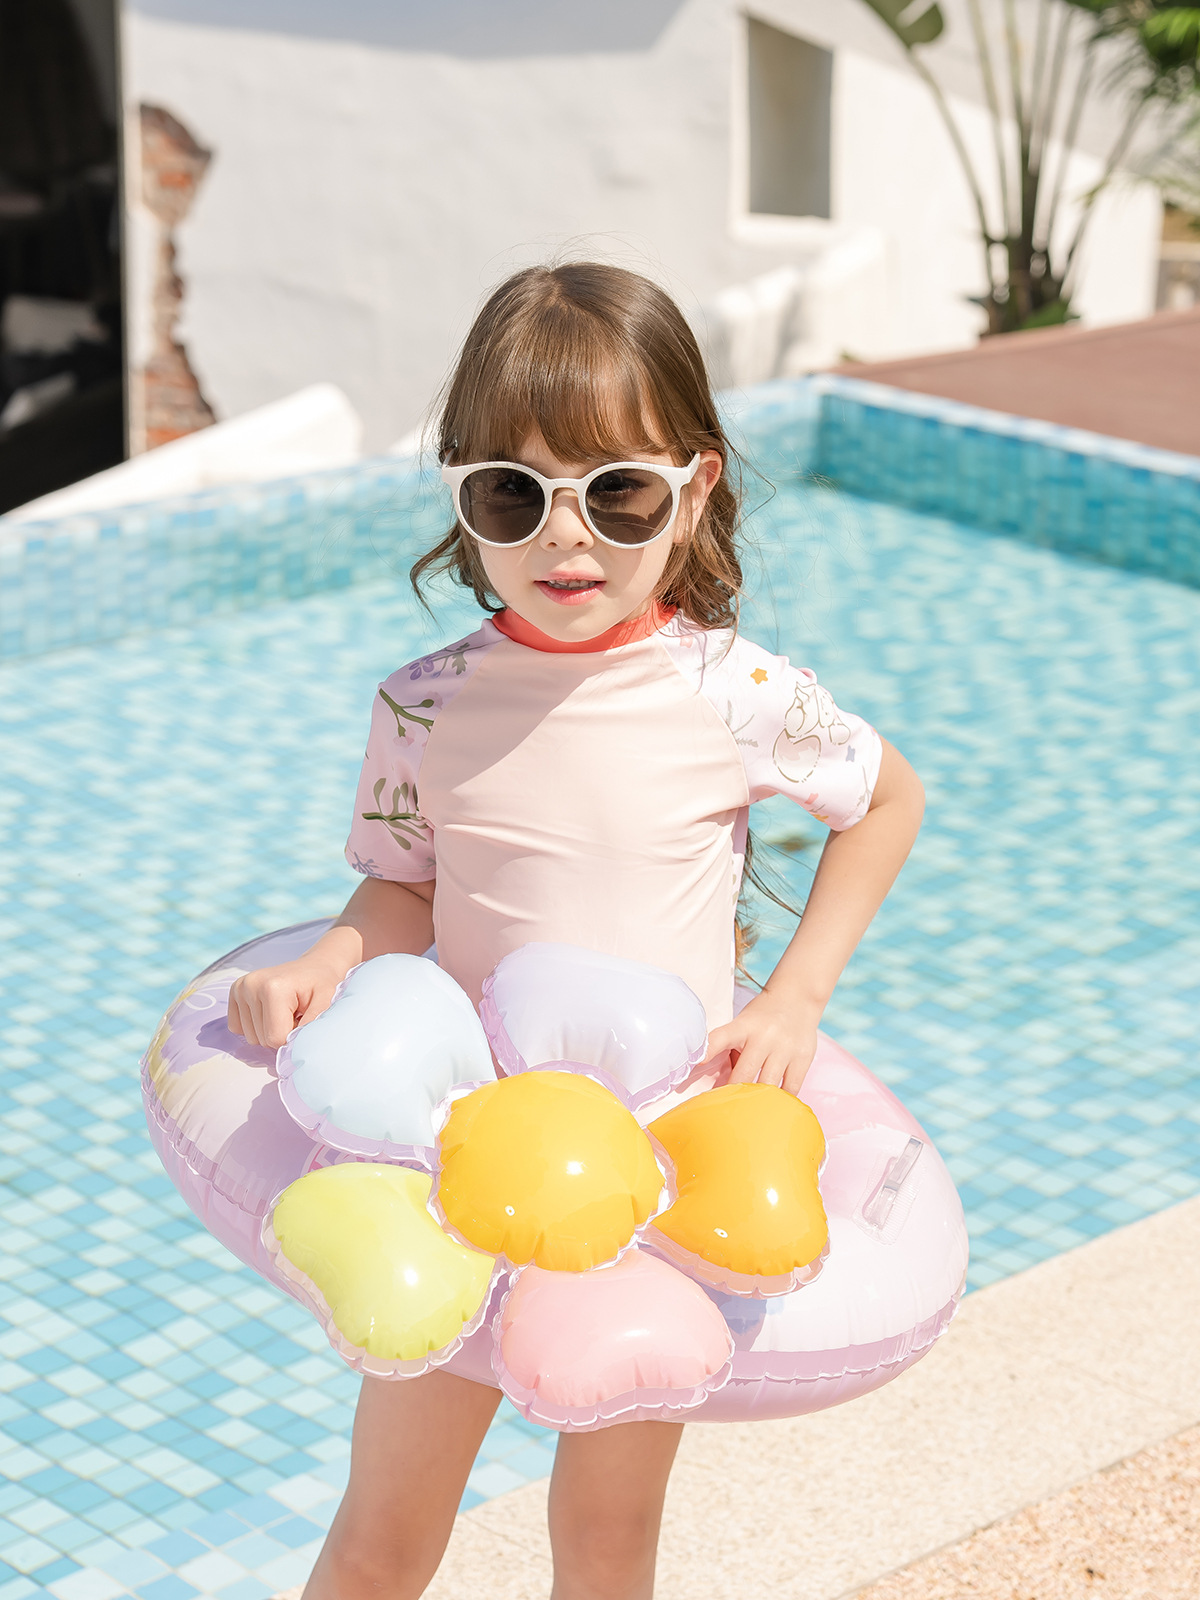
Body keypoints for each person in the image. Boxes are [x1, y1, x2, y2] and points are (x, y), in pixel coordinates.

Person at [227, 262, 925, 1600]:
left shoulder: (735, 693)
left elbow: (885, 800)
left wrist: (797, 997)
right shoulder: (426, 706)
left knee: (605, 1545)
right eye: (513, 494)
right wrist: (327, 960)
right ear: (460, 498)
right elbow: (400, 889)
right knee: (382, 1532)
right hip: (456, 1158)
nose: (568, 541)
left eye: (619, 495)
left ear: (695, 489)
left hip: (647, 1185)